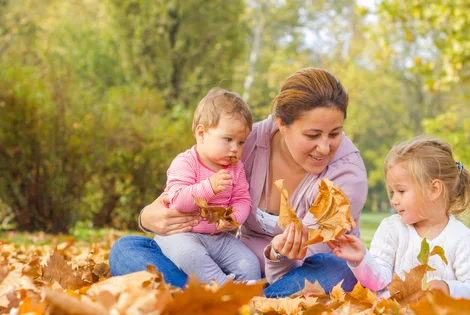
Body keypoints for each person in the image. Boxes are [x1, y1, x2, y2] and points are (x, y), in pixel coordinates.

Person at [109, 68, 368, 297]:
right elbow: (183, 186)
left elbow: (311, 253)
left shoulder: (347, 175)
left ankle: (211, 302)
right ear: (282, 124)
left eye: (335, 133)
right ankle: (223, 301)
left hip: (293, 276)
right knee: (127, 249)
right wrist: (147, 217)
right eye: (312, 135)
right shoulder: (244, 142)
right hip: (225, 269)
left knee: (335, 270)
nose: (324, 147)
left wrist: (276, 255)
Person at [327, 136, 470, 304]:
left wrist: (448, 289)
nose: (393, 200)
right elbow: (378, 282)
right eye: (392, 192)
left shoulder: (460, 237)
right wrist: (361, 259)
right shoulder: (391, 228)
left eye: (401, 191)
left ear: (434, 189)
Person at [153, 88, 261, 285]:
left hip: (218, 237)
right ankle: (222, 289)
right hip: (181, 235)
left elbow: (242, 199)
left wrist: (234, 218)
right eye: (228, 139)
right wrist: (209, 187)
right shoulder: (186, 162)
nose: (234, 148)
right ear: (201, 133)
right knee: (190, 255)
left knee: (250, 264)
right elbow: (178, 201)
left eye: (240, 142)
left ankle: (248, 293)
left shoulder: (236, 169)